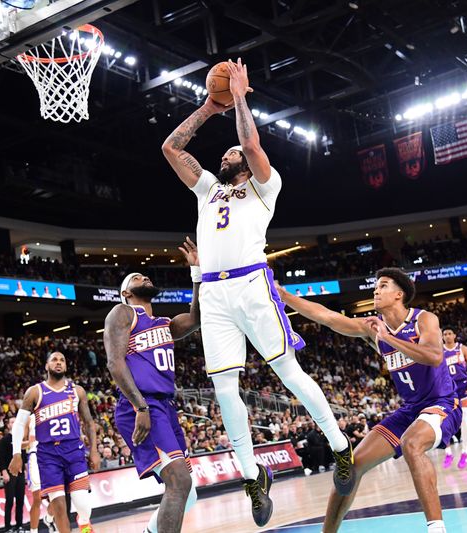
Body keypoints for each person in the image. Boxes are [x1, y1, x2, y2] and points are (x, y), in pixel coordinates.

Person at [161, 58, 353, 527]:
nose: (225, 155)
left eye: (231, 154)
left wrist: (242, 95)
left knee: (288, 371)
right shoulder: (208, 189)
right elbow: (170, 147)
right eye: (223, 153)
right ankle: (252, 477)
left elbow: (249, 140)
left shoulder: (266, 186)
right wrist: (209, 107)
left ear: (246, 164)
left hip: (251, 283)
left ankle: (339, 446)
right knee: (226, 390)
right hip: (213, 293)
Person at [278, 267, 461, 533]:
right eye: (375, 286)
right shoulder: (372, 327)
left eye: (384, 285)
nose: (376, 289)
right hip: (410, 410)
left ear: (399, 294)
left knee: (411, 443)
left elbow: (433, 356)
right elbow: (327, 317)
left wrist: (389, 339)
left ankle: (437, 529)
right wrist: (284, 296)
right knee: (350, 468)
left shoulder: (424, 319)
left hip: (442, 403)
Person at [103, 238, 201, 533]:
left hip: (165, 408)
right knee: (179, 481)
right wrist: (140, 406)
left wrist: (196, 274)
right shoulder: (123, 313)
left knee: (188, 493)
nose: (144, 277)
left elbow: (197, 318)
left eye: (145, 275)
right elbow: (114, 363)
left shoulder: (164, 323)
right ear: (126, 292)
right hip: (142, 406)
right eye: (136, 278)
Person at [9, 352, 100, 533]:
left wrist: (94, 450)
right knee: (59, 507)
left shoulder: (77, 391)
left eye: (62, 360)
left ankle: (83, 521)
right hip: (48, 454)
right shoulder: (35, 391)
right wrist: (16, 454)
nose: (58, 363)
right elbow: (19, 424)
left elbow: (89, 422)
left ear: (65, 367)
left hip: (74, 450)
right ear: (47, 366)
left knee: (83, 505)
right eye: (54, 360)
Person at [441, 328, 467, 469]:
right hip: (447, 389)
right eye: (445, 334)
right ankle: (448, 452)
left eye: (450, 333)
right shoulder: (439, 351)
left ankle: (464, 453)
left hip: (462, 387)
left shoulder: (462, 348)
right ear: (442, 337)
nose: (447, 336)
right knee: (444, 421)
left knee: (464, 419)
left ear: (454, 335)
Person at [0, 419, 25, 532]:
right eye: (12, 422)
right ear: (8, 425)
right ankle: (7, 527)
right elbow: (1, 457)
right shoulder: (4, 440)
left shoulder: (21, 438)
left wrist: (25, 469)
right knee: (9, 501)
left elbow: (23, 455)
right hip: (9, 472)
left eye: (15, 421)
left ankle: (19, 525)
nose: (14, 423)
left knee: (20, 500)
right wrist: (4, 471)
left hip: (20, 473)